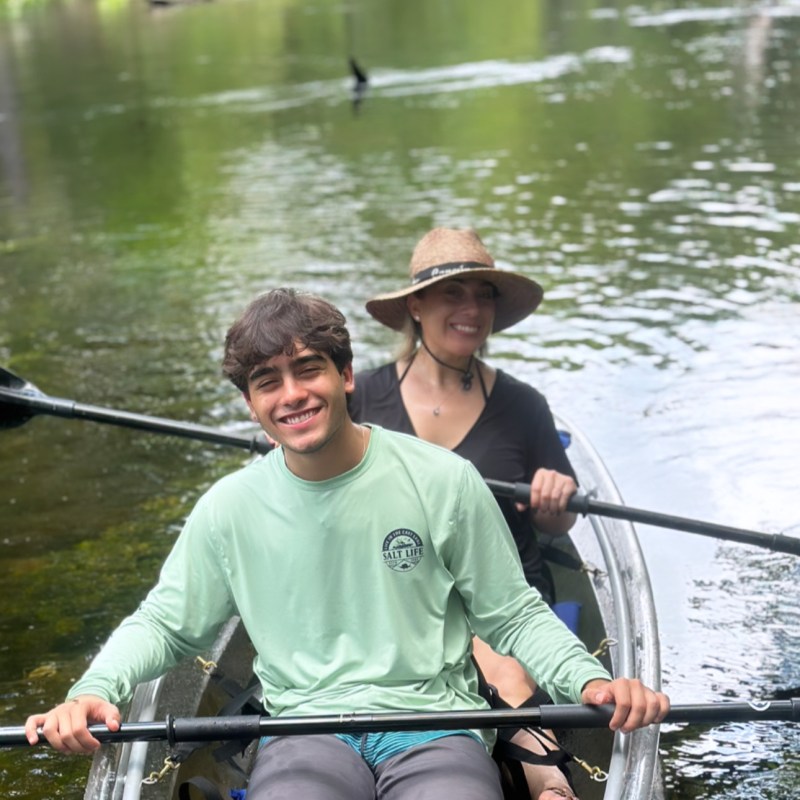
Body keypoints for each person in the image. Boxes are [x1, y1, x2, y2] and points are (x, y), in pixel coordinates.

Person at [25, 288, 669, 800]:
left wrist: (589, 680)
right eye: (268, 381)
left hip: (434, 726)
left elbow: (514, 615)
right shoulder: (228, 509)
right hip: (304, 733)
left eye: (309, 370)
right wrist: (94, 688)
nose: (292, 395)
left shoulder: (444, 480)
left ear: (347, 375)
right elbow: (165, 626)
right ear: (251, 404)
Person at [349, 227, 586, 798]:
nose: (472, 309)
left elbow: (559, 526)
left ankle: (546, 777)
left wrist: (555, 499)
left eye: (484, 295)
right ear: (416, 306)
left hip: (499, 587)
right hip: (393, 584)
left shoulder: (523, 405)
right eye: (453, 293)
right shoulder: (361, 399)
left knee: (498, 659)